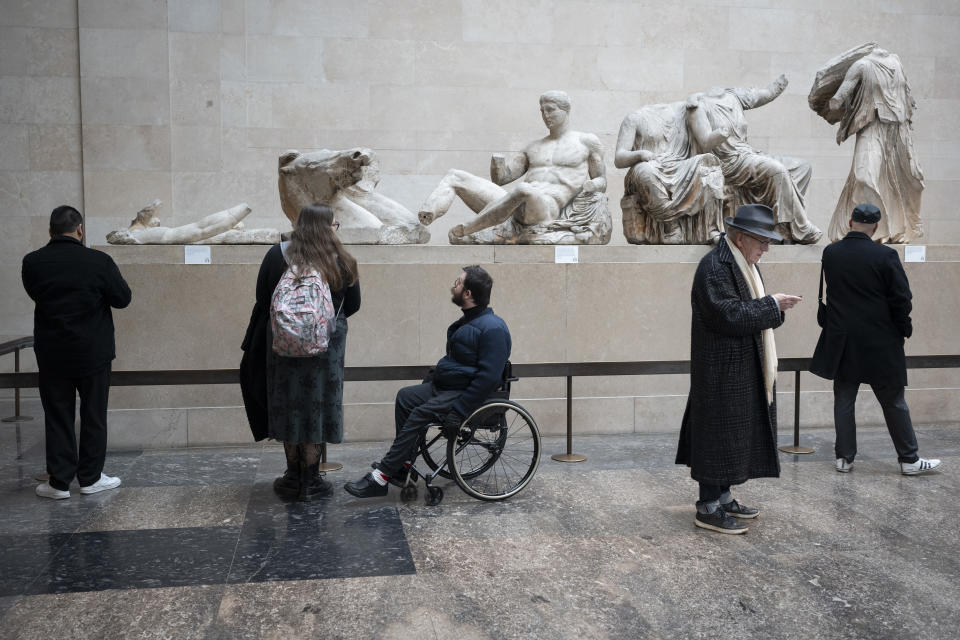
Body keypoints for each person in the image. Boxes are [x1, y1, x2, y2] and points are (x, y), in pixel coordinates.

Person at [675, 204, 802, 534]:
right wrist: (772, 305)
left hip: (740, 367)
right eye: (762, 241)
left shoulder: (740, 262)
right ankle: (707, 506)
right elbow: (729, 315)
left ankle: (724, 496)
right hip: (720, 371)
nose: (766, 249)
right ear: (742, 238)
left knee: (733, 437)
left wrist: (772, 306)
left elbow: (745, 310)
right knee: (716, 437)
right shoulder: (715, 267)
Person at [344, 265, 511, 498]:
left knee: (420, 413)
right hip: (447, 388)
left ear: (468, 294)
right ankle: (403, 467)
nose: (453, 285)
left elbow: (489, 377)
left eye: (458, 282)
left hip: (467, 395)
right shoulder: (468, 322)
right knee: (405, 397)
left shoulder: (492, 328)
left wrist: (460, 410)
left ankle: (380, 477)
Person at [240, 203, 361, 500]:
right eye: (335, 224)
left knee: (289, 405)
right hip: (325, 350)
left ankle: (292, 477)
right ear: (327, 227)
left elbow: (261, 297)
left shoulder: (276, 255)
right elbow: (353, 304)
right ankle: (311, 480)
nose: (336, 229)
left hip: (283, 347)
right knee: (316, 407)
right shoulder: (342, 260)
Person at [810, 203, 941, 475]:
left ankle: (844, 459)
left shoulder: (831, 252)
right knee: (893, 400)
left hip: (843, 340)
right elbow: (901, 298)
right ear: (876, 227)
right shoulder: (885, 255)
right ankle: (909, 459)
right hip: (880, 341)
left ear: (849, 222)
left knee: (844, 400)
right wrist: (904, 327)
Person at [22, 205, 132, 499]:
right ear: (80, 229)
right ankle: (90, 478)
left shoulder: (33, 262)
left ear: (50, 231)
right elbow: (123, 299)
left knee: (57, 415)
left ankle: (58, 483)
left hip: (52, 352)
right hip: (93, 352)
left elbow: (36, 293)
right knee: (94, 414)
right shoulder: (99, 261)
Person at [418, 91, 608, 244]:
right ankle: (426, 216)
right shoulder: (533, 147)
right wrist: (497, 164)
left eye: (551, 110)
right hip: (515, 205)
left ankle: (469, 228)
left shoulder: (587, 141)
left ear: (566, 110)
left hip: (547, 209)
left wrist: (593, 185)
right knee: (455, 176)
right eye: (542, 111)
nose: (546, 115)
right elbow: (502, 179)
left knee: (525, 189)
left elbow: (602, 180)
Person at [687, 76, 822, 244]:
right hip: (728, 162)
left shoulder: (734, 96)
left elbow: (765, 94)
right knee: (776, 170)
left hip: (749, 155)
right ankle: (799, 227)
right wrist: (721, 133)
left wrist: (779, 85)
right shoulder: (697, 106)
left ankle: (778, 225)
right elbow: (705, 143)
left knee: (802, 167)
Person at [825, 48, 925, 243]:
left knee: (914, 182)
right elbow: (837, 99)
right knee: (864, 176)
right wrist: (834, 100)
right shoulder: (861, 65)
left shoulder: (897, 62)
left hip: (899, 131)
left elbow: (908, 97)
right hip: (872, 127)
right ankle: (874, 232)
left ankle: (900, 230)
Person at [615, 99, 726, 244]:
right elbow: (619, 158)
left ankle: (710, 229)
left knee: (709, 165)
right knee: (645, 171)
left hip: (680, 166)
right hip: (649, 166)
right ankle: (670, 225)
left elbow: (705, 142)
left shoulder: (688, 111)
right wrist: (640, 154)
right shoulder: (635, 117)